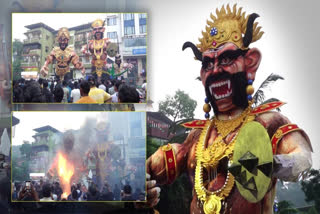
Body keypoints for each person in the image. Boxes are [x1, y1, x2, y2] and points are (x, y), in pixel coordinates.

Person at [146, 4, 313, 214]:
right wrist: (143, 183)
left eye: (225, 59)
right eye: (207, 64)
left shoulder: (268, 122)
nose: (215, 70)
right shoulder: (198, 136)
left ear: (250, 62)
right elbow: (162, 164)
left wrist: (269, 164)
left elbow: (302, 158)